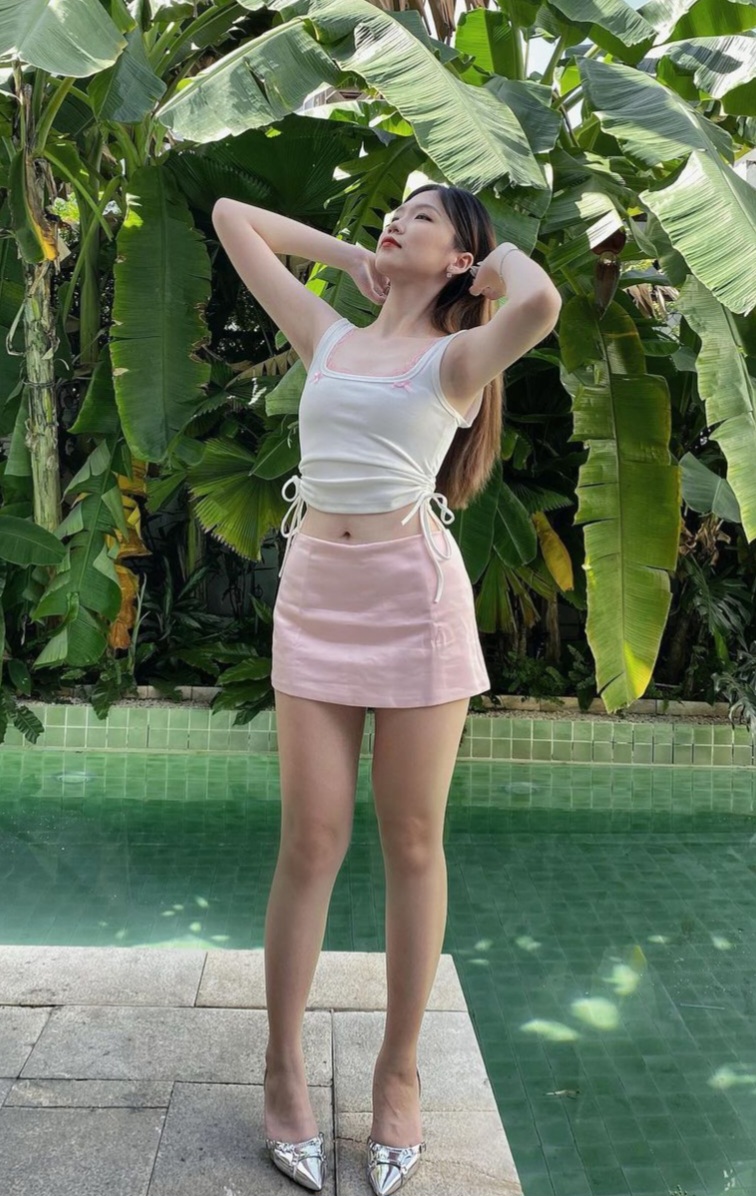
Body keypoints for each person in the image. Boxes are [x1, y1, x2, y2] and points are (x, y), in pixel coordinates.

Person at [211, 184, 561, 1194]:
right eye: (396, 211)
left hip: (416, 602)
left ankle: (398, 1074)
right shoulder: (325, 336)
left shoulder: (455, 360)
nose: (397, 220)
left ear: (459, 256)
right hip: (317, 598)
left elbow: (539, 303)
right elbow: (234, 217)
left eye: (423, 216)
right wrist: (352, 258)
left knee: (412, 842)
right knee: (310, 840)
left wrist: (488, 274)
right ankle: (283, 1069)